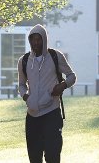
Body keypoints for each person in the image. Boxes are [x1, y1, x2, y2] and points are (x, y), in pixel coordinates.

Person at [18, 24, 76, 163]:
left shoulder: (55, 56)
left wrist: (62, 85)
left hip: (52, 113)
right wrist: (26, 96)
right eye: (33, 39)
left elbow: (71, 76)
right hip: (32, 117)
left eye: (39, 39)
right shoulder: (24, 61)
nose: (36, 43)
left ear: (44, 40)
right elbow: (21, 85)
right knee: (34, 158)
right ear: (29, 41)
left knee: (52, 156)